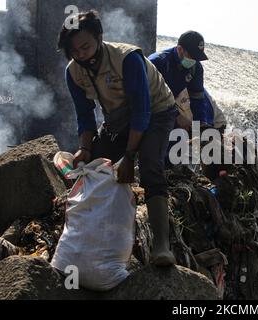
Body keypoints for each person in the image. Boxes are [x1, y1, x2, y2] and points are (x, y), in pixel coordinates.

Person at [58, 10, 177, 266]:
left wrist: (129, 156)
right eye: (74, 51)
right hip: (118, 117)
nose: (81, 54)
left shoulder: (127, 59)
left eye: (85, 47)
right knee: (96, 166)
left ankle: (161, 245)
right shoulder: (74, 72)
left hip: (157, 111)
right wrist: (84, 149)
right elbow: (85, 116)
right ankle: (90, 235)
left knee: (149, 165)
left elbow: (142, 112)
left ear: (100, 37)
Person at [148, 31, 212, 130]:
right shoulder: (158, 62)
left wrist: (200, 125)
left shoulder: (196, 67)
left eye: (197, 57)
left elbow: (197, 98)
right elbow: (151, 96)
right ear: (180, 49)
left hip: (172, 103)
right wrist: (176, 116)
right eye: (192, 56)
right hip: (151, 105)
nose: (194, 61)